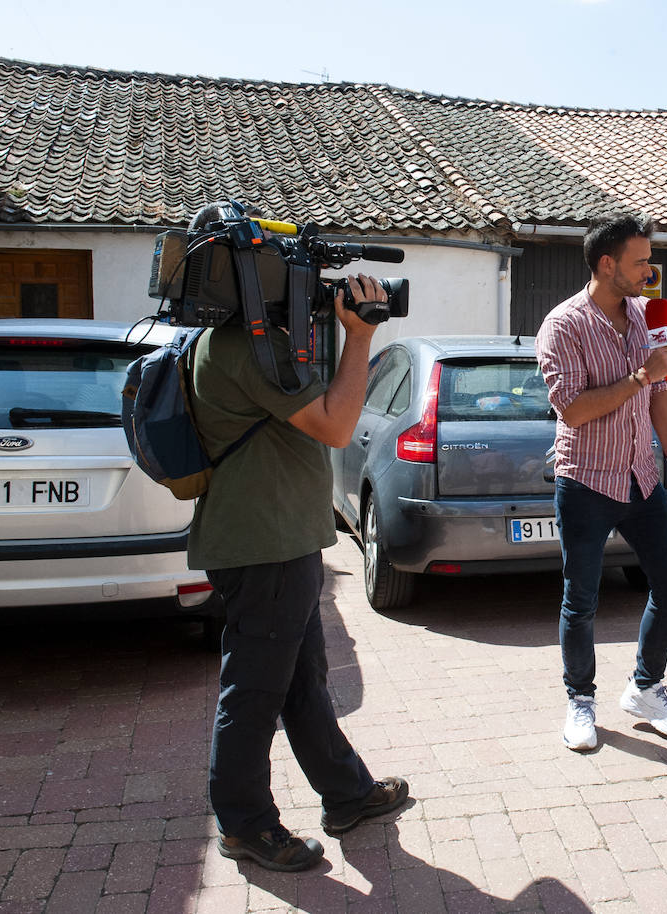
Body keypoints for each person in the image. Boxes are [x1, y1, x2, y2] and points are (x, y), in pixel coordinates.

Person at [188, 273, 408, 871]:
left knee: (300, 680)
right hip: (266, 546)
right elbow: (337, 425)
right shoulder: (253, 349)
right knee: (255, 691)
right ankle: (245, 826)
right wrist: (359, 336)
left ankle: (347, 796)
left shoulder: (242, 342)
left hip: (278, 542)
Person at [535, 214, 667, 752]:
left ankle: (645, 688)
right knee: (581, 599)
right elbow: (575, 410)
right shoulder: (562, 326)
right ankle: (580, 701)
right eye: (640, 261)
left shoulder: (644, 317)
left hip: (641, 476)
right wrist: (640, 374)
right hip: (585, 482)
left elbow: (659, 395)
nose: (650, 270)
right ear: (607, 264)